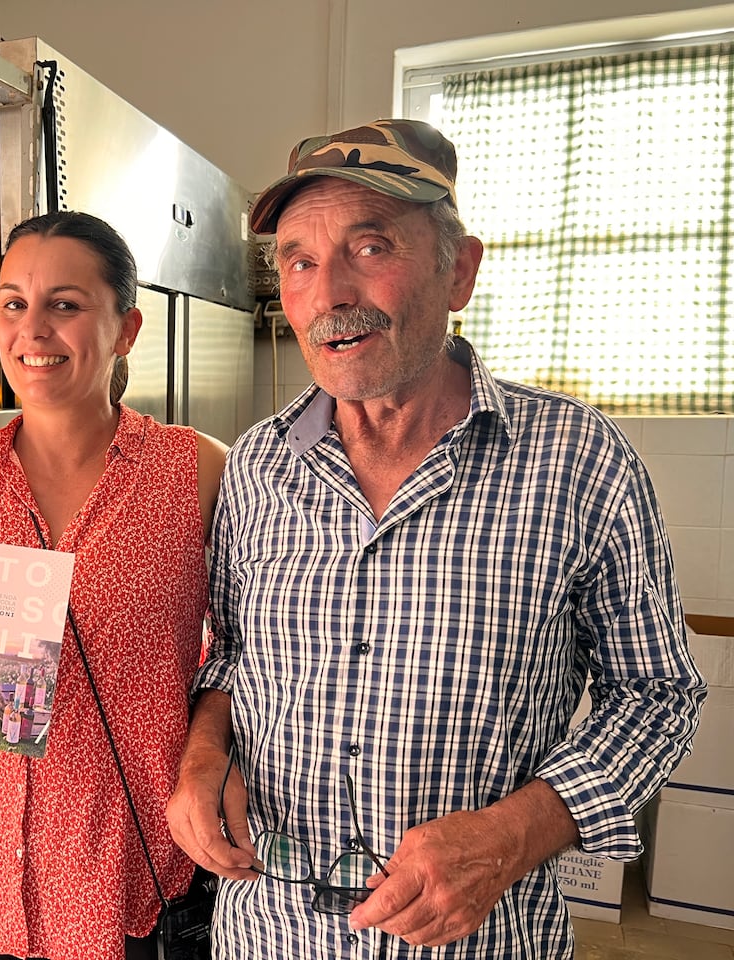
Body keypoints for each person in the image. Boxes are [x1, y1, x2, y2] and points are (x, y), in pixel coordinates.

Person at [166, 119, 707, 959]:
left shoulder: (578, 460)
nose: (329, 292)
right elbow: (234, 654)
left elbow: (658, 695)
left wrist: (514, 835)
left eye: (371, 246)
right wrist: (203, 757)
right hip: (266, 931)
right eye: (300, 261)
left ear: (460, 270)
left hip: (477, 943)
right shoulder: (259, 466)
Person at [0, 210, 227, 960]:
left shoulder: (199, 474)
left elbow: (256, 652)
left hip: (130, 878)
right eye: (14, 303)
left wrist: (218, 757)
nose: (32, 330)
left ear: (126, 328)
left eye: (65, 304)